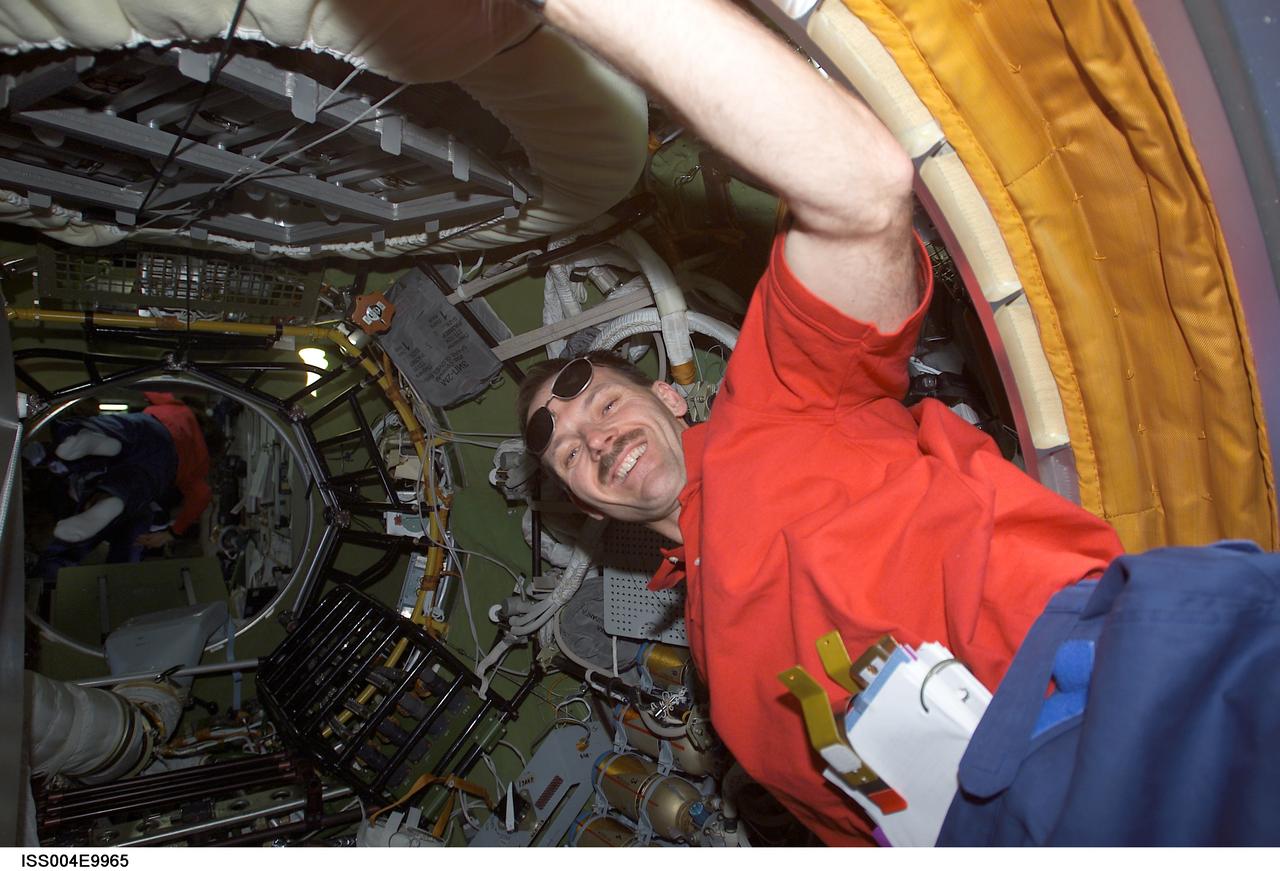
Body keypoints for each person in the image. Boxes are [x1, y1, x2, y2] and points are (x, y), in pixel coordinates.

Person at [516, 0, 1280, 848]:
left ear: (669, 395)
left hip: (1115, 693)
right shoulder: (720, 682)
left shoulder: (773, 406)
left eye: (600, 397)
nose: (590, 435)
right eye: (565, 449)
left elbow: (860, 190)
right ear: (584, 505)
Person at [32, 391, 213, 579]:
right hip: (167, 467)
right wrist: (173, 534)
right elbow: (202, 496)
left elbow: (149, 385)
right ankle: (114, 499)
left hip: (153, 429)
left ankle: (96, 437)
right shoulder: (202, 462)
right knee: (132, 485)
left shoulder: (178, 408)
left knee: (118, 429)